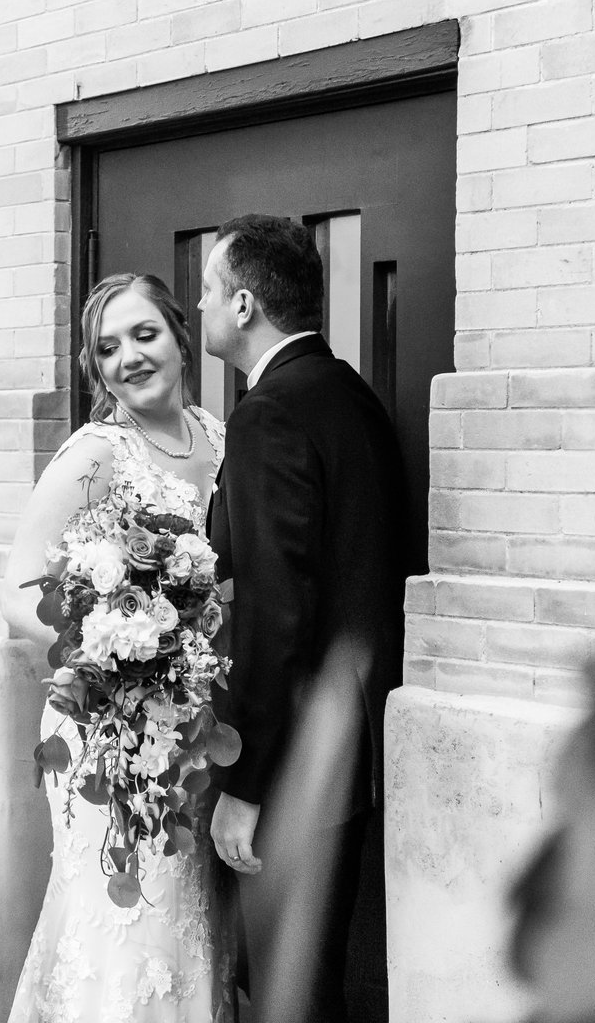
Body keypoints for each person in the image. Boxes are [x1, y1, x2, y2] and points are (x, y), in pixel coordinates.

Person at [2, 272, 234, 1023]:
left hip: (192, 732)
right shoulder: (96, 454)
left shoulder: (219, 438)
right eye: (107, 348)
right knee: (125, 929)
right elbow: (15, 592)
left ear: (180, 339)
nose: (129, 357)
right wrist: (111, 655)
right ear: (95, 368)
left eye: (144, 334)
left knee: (184, 926)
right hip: (110, 732)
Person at [199, 215, 411, 1023]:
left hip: (296, 760)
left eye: (210, 289)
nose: (201, 304)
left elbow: (276, 608)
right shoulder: (351, 395)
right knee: (318, 982)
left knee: (291, 991)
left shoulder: (270, 413)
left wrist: (247, 785)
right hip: (355, 742)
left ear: (244, 304)